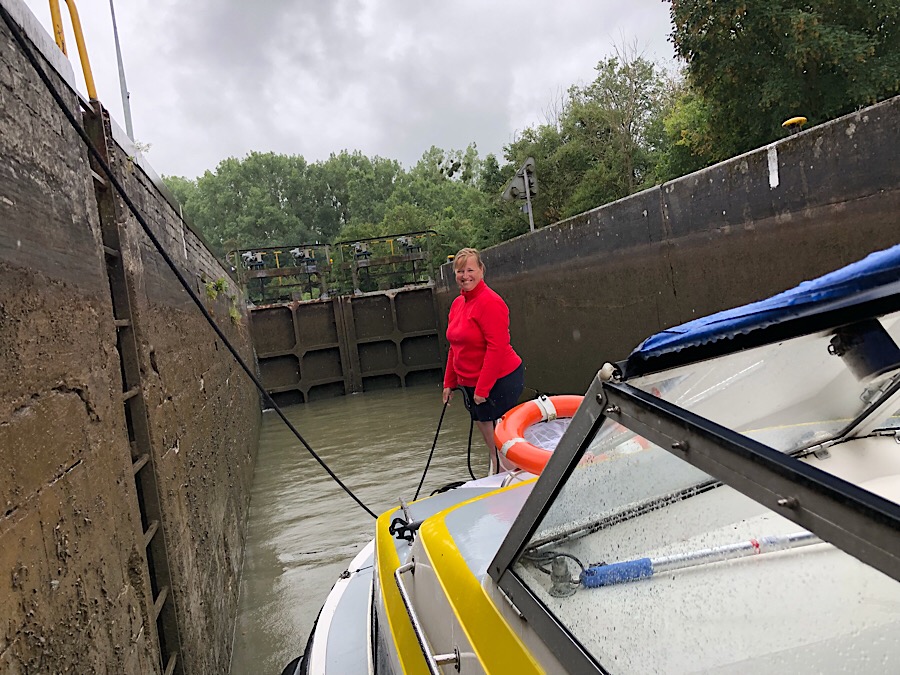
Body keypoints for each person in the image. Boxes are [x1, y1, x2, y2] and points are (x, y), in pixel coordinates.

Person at [442, 248, 524, 473]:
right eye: (460, 271)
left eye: (470, 269)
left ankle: (514, 472)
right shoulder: (458, 304)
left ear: (481, 270)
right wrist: (449, 383)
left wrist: (483, 388)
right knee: (486, 430)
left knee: (502, 434)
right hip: (470, 382)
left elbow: (496, 348)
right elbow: (454, 346)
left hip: (500, 379)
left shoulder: (490, 302)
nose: (465, 275)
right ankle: (497, 466)